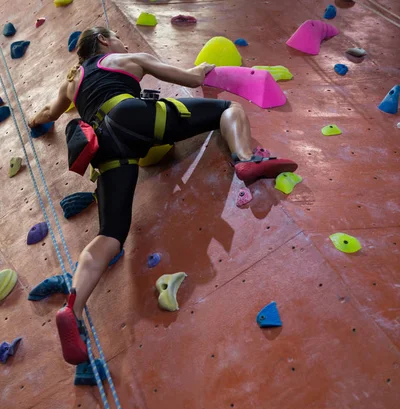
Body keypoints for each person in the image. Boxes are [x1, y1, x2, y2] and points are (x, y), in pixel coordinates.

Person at [28, 27, 297, 365]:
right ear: (106, 42)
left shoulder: (71, 82)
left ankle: (74, 308)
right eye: (117, 38)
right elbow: (187, 78)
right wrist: (204, 70)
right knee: (229, 111)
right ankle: (246, 160)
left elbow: (48, 115)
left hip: (102, 147)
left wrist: (34, 121)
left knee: (110, 236)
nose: (122, 42)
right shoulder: (126, 58)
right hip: (132, 117)